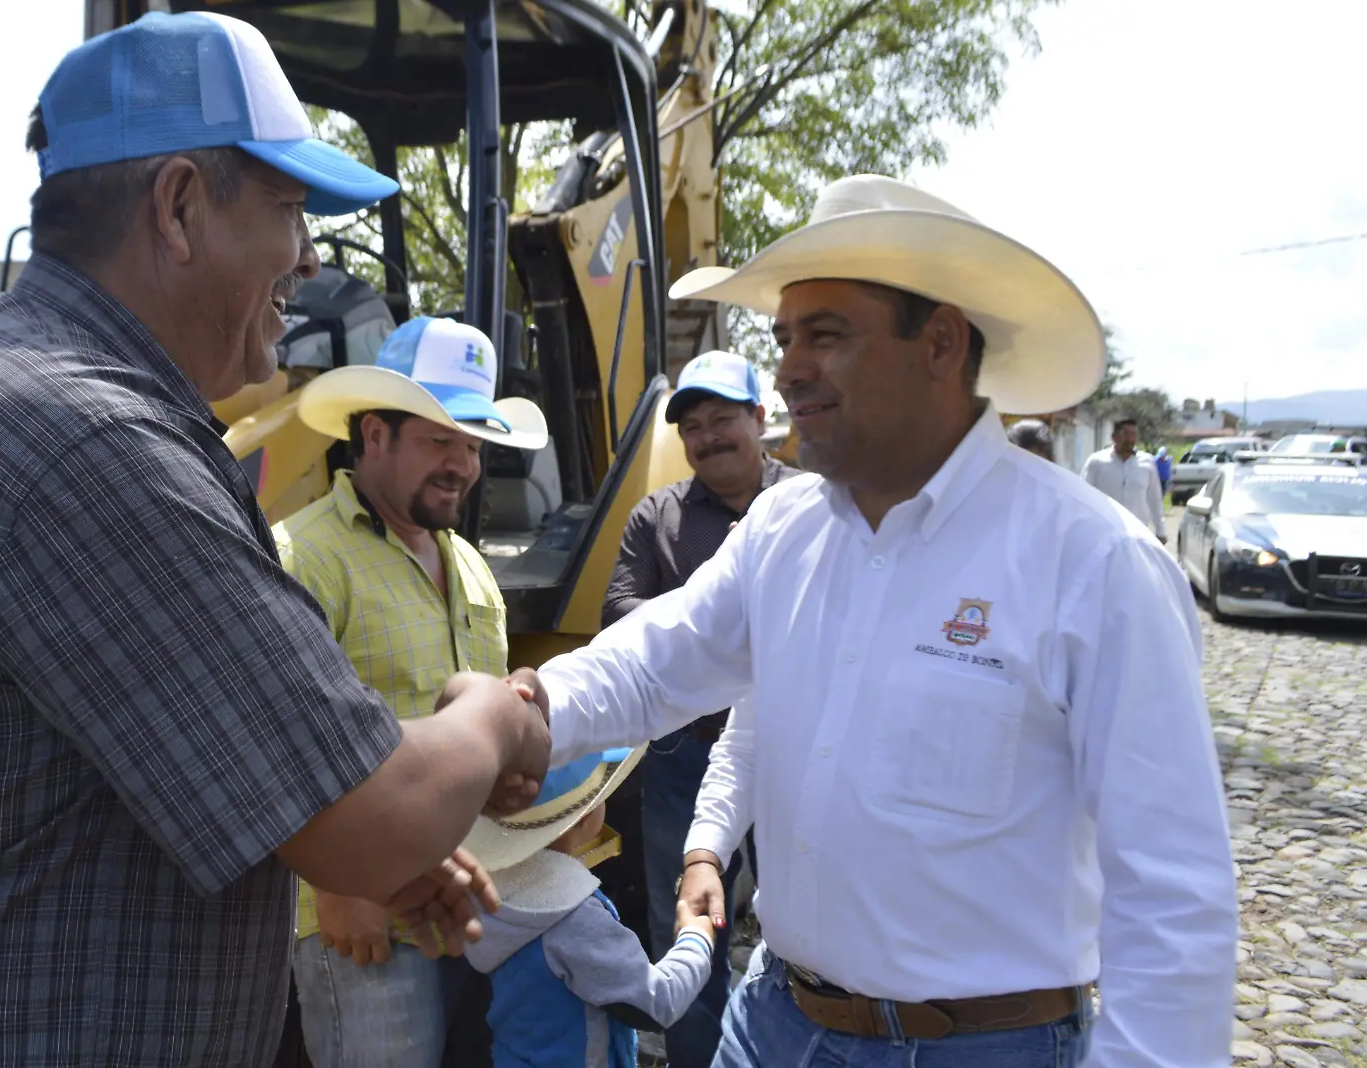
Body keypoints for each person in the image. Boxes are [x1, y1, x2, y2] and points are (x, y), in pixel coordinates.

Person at [0, 15, 552, 1068]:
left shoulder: (27, 399)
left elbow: (147, 758)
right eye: (289, 210)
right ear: (181, 205)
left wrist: (346, 839)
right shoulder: (86, 443)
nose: (303, 258)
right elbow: (375, 817)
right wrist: (489, 716)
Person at [511, 174, 1238, 1067]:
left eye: (826, 335)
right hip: (773, 1019)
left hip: (982, 1048)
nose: (787, 369)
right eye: (784, 338)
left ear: (939, 341)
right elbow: (655, 662)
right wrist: (524, 716)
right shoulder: (783, 531)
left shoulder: (1095, 565)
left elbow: (1173, 901)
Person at [275, 315, 551, 1067]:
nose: (462, 462)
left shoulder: (469, 565)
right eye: (438, 439)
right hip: (361, 918)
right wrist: (338, 888)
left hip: (465, 901)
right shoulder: (305, 557)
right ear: (373, 435)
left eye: (471, 443)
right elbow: (275, 745)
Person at [601, 348, 800, 1068]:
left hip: (790, 749)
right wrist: (716, 627)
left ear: (759, 417)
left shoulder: (811, 505)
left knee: (801, 917)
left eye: (723, 418)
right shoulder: (657, 516)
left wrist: (712, 638)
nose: (709, 436)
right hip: (686, 753)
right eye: (693, 427)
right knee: (687, 924)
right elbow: (619, 611)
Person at [464, 748, 716, 1068]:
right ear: (584, 819)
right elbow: (655, 1004)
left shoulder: (479, 894)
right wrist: (697, 939)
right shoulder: (575, 920)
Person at [1083, 418, 1167, 540]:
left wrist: (1161, 531)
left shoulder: (1147, 463)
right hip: (1105, 533)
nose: (1130, 439)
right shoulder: (1097, 462)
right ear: (1113, 436)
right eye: (1125, 434)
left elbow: (1154, 499)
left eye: (1134, 434)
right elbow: (1085, 496)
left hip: (1138, 534)